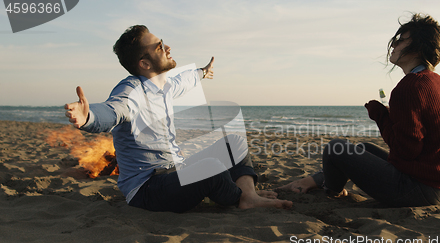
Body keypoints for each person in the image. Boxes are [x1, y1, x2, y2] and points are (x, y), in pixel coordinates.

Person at [65, 25, 292, 212]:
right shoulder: (132, 91)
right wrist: (89, 117)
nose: (168, 47)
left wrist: (202, 72)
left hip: (173, 170)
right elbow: (114, 111)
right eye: (160, 46)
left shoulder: (163, 86)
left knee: (234, 143)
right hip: (147, 189)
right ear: (144, 64)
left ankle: (248, 195)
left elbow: (184, 80)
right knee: (211, 167)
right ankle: (242, 197)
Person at [278, 13, 440, 207]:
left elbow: (405, 151)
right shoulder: (438, 82)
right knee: (363, 148)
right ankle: (316, 180)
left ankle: (332, 191)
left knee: (335, 148)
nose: (394, 45)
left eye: (401, 40)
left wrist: (380, 115)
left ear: (417, 48)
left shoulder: (409, 87)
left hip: (418, 190)